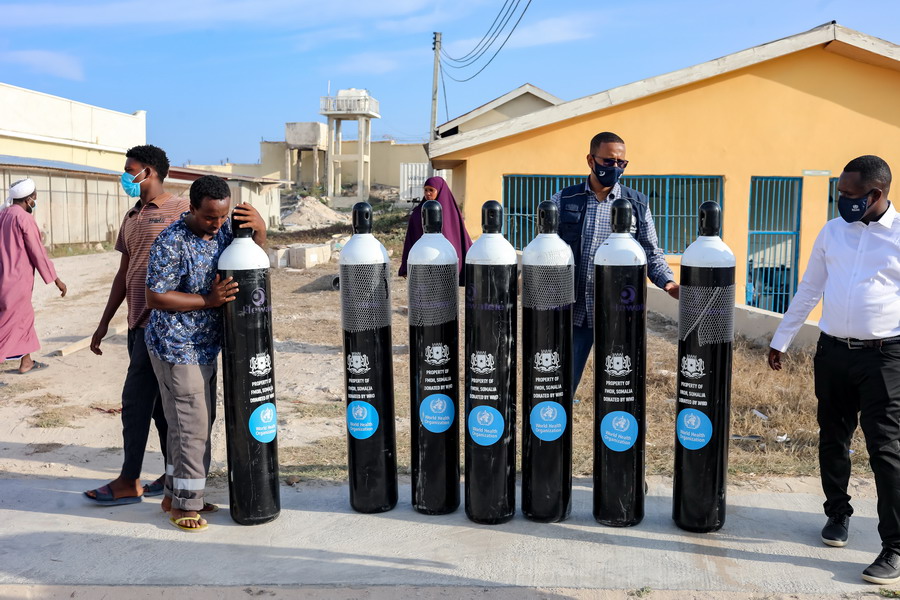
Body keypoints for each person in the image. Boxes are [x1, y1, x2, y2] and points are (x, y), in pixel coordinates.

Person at [768, 155, 900, 585]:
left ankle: (894, 547)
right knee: (833, 437)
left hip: (885, 358)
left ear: (876, 194)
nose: (841, 200)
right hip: (833, 353)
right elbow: (810, 288)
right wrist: (781, 339)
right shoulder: (832, 231)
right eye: (839, 192)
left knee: (886, 450)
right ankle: (837, 515)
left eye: (850, 194)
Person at [145, 175, 266, 531]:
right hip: (176, 347)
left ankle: (176, 494)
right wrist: (207, 301)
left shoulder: (224, 231)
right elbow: (156, 297)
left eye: (222, 216)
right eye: (210, 217)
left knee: (193, 425)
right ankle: (185, 505)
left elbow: (253, 255)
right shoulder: (171, 241)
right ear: (192, 208)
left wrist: (259, 230)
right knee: (191, 427)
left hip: (205, 347)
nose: (217, 224)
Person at [85, 145, 190, 507]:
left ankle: (129, 480)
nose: (125, 176)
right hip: (136, 325)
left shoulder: (180, 210)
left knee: (134, 402)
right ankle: (173, 472)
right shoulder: (131, 216)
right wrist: (103, 324)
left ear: (149, 171)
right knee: (160, 407)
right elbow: (122, 275)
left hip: (163, 325)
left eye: (130, 169)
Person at [551, 131, 678, 395]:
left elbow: (651, 252)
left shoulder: (636, 204)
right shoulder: (564, 200)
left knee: (618, 390)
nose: (615, 168)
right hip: (574, 311)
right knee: (561, 386)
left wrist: (668, 283)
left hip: (618, 311)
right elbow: (548, 251)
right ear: (590, 160)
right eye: (609, 162)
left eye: (622, 163)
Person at [0, 178, 67, 373]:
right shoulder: (23, 218)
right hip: (16, 280)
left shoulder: (4, 214)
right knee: (9, 323)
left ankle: (26, 362)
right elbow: (37, 252)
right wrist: (56, 280)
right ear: (28, 199)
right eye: (35, 195)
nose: (36, 198)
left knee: (24, 319)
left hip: (4, 277)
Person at [398, 176, 472, 284]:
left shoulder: (451, 213)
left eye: (431, 190)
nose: (428, 193)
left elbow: (459, 238)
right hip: (424, 265)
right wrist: (405, 266)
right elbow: (411, 239)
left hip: (445, 265)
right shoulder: (418, 213)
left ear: (440, 190)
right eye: (426, 190)